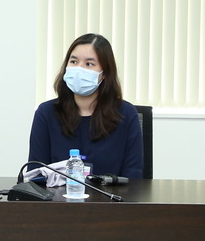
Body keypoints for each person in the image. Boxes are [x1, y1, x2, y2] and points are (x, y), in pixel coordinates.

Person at [27, 33, 144, 179]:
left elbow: (133, 178)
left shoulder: (126, 114)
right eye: (74, 61)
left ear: (105, 73)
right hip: (57, 194)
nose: (79, 69)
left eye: (89, 64)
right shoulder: (46, 113)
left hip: (111, 194)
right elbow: (36, 175)